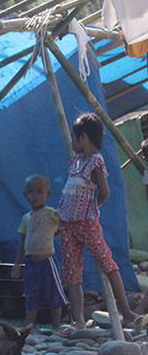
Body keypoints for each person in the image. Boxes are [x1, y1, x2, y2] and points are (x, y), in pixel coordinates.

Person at [58, 113, 139, 329]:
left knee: (108, 264)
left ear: (83, 138)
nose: (73, 143)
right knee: (73, 274)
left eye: (75, 139)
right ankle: (79, 320)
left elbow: (104, 193)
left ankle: (127, 311)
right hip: (67, 224)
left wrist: (90, 208)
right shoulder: (75, 161)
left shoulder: (95, 161)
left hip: (87, 223)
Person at [11, 175, 68, 330]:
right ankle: (28, 325)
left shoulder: (51, 214)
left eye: (39, 192)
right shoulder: (26, 218)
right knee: (31, 294)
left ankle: (56, 325)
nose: (34, 196)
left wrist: (51, 235)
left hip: (47, 261)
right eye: (31, 192)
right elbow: (22, 243)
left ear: (47, 195)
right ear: (25, 195)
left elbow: (63, 226)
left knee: (53, 292)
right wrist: (17, 265)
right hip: (30, 263)